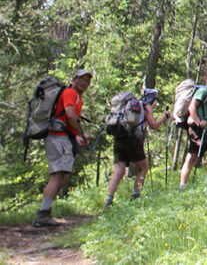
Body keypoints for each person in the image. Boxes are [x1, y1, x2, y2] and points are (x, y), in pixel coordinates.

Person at [34, 69, 92, 227]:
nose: (84, 83)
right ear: (74, 79)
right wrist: (82, 133)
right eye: (81, 79)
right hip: (57, 138)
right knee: (57, 176)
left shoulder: (77, 97)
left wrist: (76, 136)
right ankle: (42, 214)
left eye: (87, 80)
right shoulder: (70, 93)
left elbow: (68, 120)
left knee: (63, 177)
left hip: (63, 138)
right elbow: (70, 115)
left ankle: (45, 210)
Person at [104, 89, 170, 208]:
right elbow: (154, 125)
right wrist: (164, 117)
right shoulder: (146, 106)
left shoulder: (131, 105)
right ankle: (135, 196)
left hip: (119, 138)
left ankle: (109, 199)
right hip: (133, 140)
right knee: (143, 168)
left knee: (119, 170)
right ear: (153, 99)